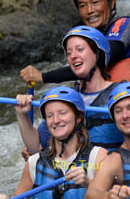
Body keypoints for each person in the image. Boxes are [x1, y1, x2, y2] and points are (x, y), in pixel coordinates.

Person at [0, 86, 108, 199]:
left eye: (62, 113)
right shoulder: (34, 162)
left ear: (78, 117)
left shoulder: (98, 156)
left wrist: (89, 183)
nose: (56, 120)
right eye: (50, 116)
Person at [22, 25, 123, 153]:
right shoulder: (65, 98)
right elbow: (36, 147)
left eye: (80, 49)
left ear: (98, 54)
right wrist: (23, 117)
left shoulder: (120, 94)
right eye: (69, 53)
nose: (73, 56)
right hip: (74, 170)